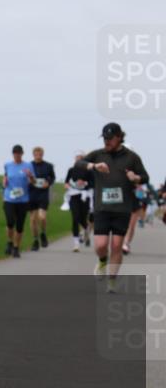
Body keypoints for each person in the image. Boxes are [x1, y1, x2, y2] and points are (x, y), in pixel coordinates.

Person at [75, 122, 149, 292]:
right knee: (101, 245)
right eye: (104, 138)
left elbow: (145, 177)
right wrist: (94, 166)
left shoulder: (132, 157)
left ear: (119, 137)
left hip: (122, 209)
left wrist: (135, 177)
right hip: (102, 208)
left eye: (110, 139)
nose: (106, 142)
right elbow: (79, 164)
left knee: (116, 246)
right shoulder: (98, 154)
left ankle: (112, 281)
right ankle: (102, 261)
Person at [2, 145, 34, 258]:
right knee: (10, 222)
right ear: (13, 154)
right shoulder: (7, 165)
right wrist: (4, 182)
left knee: (20, 225)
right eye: (15, 153)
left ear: (22, 153)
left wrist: (30, 176)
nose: (17, 155)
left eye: (19, 153)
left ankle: (16, 248)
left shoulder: (28, 165)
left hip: (23, 200)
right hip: (9, 198)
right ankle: (10, 242)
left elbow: (33, 182)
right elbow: (5, 178)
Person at [64, 151, 95, 252]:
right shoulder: (71, 170)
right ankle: (76, 243)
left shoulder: (89, 171)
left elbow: (93, 183)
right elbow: (66, 182)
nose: (78, 160)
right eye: (77, 158)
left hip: (85, 196)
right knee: (75, 217)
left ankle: (86, 232)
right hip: (73, 196)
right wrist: (67, 186)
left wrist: (85, 183)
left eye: (81, 158)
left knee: (82, 218)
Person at [27, 146, 56, 251]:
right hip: (32, 194)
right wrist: (29, 180)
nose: (38, 156)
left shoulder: (48, 166)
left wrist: (48, 183)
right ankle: (35, 240)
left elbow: (52, 177)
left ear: (42, 154)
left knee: (42, 217)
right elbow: (25, 177)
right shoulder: (29, 165)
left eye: (40, 154)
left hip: (43, 194)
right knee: (33, 219)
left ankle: (43, 233)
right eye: (36, 154)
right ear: (33, 154)